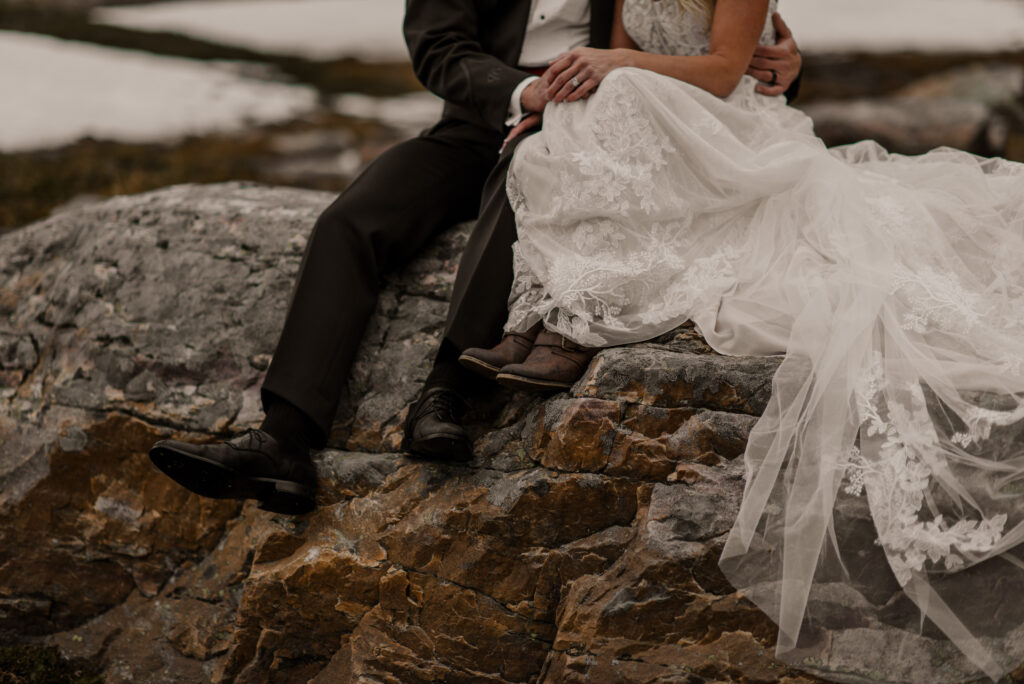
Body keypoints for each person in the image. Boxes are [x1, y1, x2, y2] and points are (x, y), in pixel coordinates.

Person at [452, 0, 1024, 680]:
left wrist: (620, 63)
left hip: (731, 127)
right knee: (578, 111)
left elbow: (724, 72)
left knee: (622, 85)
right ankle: (551, 310)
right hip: (672, 117)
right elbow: (607, 54)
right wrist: (597, 75)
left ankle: (576, 323)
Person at [146, 0, 805, 515]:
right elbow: (437, 48)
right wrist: (525, 95)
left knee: (521, 185)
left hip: (600, 126)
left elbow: (704, 41)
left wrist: (787, 65)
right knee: (352, 220)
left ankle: (446, 394)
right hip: (479, 121)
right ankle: (284, 441)